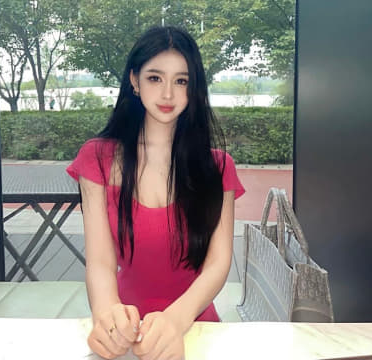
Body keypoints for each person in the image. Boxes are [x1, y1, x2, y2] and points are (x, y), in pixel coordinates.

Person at [66, 26, 245, 360]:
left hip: (195, 328)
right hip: (124, 330)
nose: (167, 94)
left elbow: (218, 264)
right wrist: (106, 315)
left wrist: (175, 321)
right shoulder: (97, 158)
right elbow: (101, 262)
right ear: (134, 81)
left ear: (194, 87)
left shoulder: (218, 167)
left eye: (181, 81)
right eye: (154, 78)